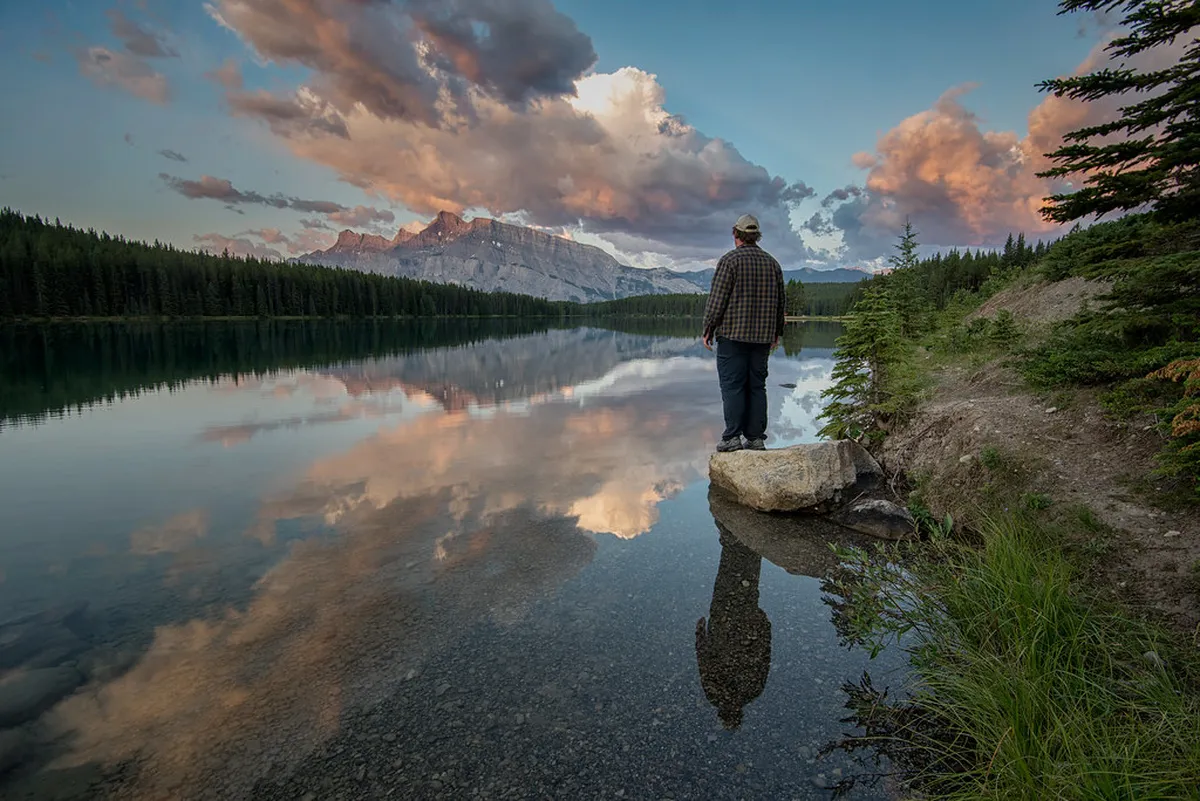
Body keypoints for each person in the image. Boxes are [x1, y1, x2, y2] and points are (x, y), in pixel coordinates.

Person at [701, 214, 786, 452]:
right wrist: (776, 332)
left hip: (732, 336)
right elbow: (781, 302)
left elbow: (717, 300)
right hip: (762, 338)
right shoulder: (772, 263)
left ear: (735, 234)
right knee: (757, 386)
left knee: (732, 386)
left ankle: (732, 437)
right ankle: (756, 438)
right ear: (757, 236)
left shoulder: (730, 261)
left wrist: (708, 328)